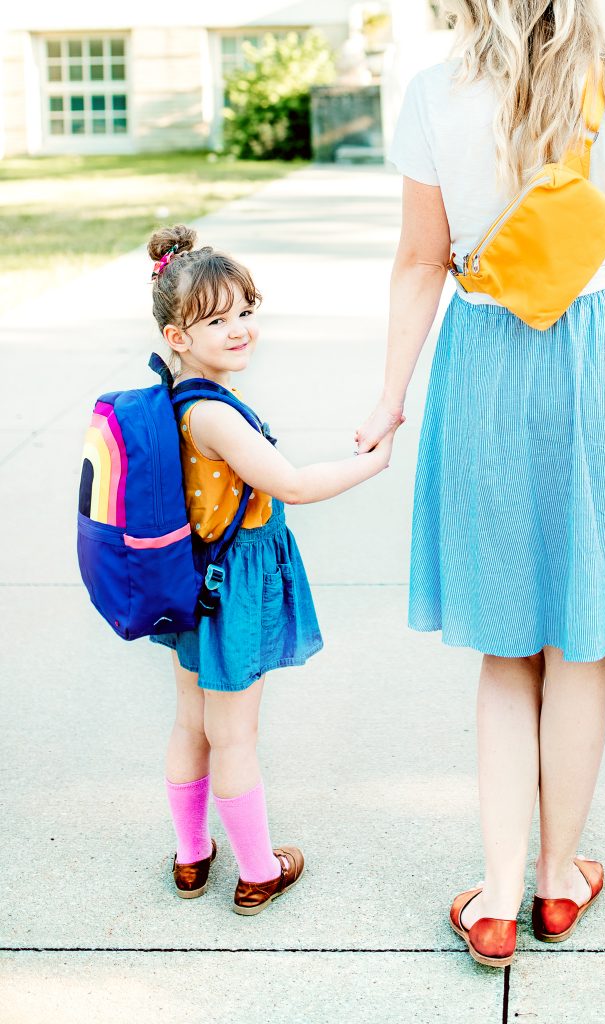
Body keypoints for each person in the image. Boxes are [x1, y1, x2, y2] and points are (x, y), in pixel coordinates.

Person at [355, 1, 605, 966]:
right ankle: (561, 881)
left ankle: (500, 900)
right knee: (581, 647)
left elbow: (420, 263)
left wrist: (390, 398)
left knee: (509, 653)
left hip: (486, 371)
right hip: (602, 371)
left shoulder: (433, 96)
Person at [148, 225, 399, 915]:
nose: (239, 331)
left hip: (193, 579)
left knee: (190, 723)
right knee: (233, 734)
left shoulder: (174, 400)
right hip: (233, 586)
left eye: (245, 312)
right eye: (217, 320)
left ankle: (192, 854)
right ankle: (258, 870)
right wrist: (371, 463)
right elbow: (291, 484)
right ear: (178, 336)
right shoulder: (213, 416)